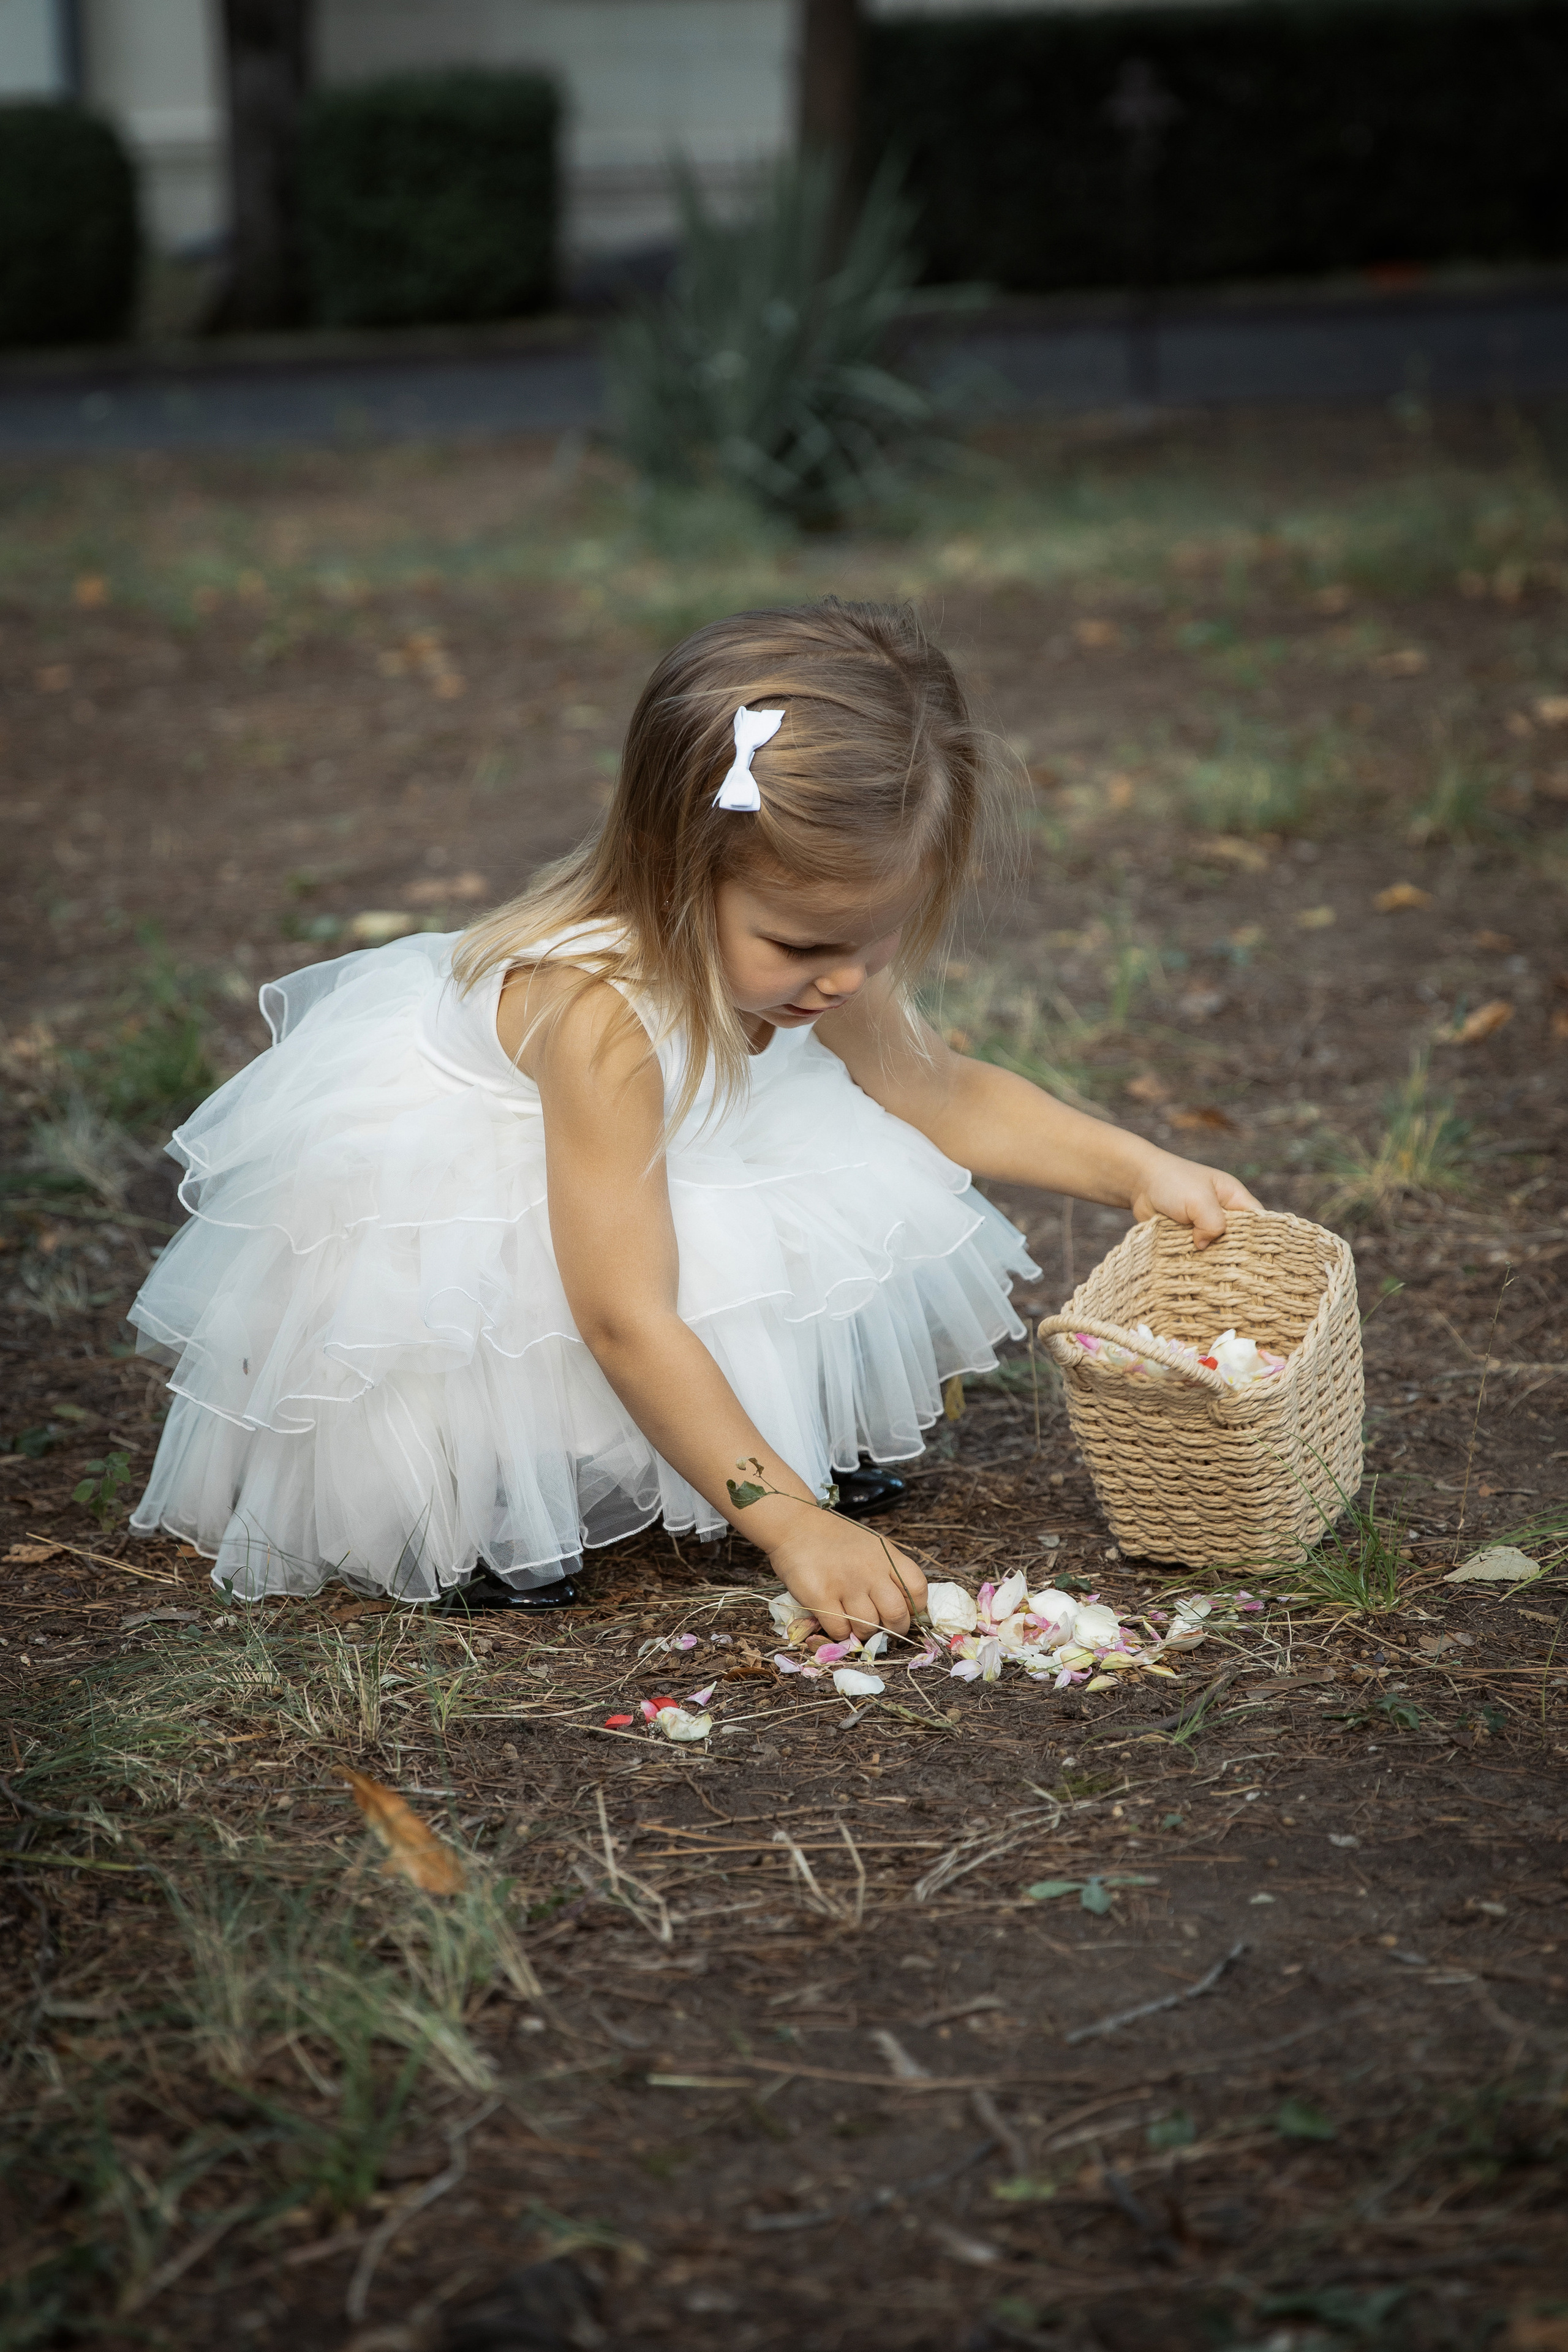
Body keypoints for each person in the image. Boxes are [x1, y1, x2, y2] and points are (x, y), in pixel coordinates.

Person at [128, 600, 1261, 1638]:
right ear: (679, 866)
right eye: (807, 946)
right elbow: (621, 1312)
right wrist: (792, 1526)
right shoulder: (599, 1017)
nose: (846, 981)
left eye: (877, 943)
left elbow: (941, 1093)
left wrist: (1136, 1169)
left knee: (810, 1186)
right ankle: (525, 1499)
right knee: (551, 1342)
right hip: (504, 1241)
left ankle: (768, 1441)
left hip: (664, 1183)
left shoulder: (824, 959)